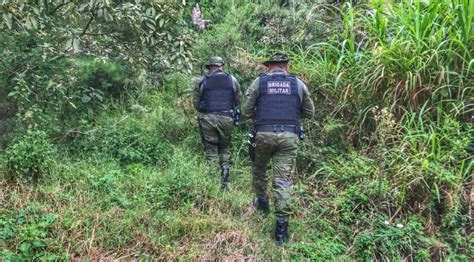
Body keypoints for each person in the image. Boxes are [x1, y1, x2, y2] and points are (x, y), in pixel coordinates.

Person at [241, 52, 315, 244]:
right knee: (282, 182)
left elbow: (245, 111)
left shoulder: (260, 82)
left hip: (263, 134)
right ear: (287, 66)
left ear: (269, 67)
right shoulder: (297, 84)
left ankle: (263, 204)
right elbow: (309, 112)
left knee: (259, 169)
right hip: (289, 137)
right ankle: (281, 232)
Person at [193, 56, 241, 189]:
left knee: (211, 149)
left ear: (209, 68)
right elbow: (238, 101)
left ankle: (213, 180)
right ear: (222, 66)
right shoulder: (232, 79)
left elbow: (196, 104)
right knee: (224, 147)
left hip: (209, 119)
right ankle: (225, 175)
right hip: (227, 118)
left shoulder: (202, 81)